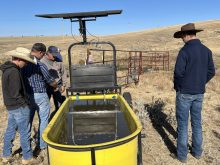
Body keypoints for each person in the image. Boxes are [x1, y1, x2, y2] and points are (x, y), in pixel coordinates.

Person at [173, 23, 215, 163]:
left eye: (181, 37)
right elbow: (211, 72)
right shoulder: (206, 50)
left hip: (184, 92)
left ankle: (182, 156)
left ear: (186, 35)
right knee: (197, 123)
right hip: (199, 93)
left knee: (183, 124)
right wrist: (201, 82)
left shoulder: (184, 51)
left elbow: (178, 73)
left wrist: (179, 87)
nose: (181, 40)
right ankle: (197, 152)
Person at [0, 47, 39, 164]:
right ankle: (27, 157)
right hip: (19, 107)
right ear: (18, 59)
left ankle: (6, 155)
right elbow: (16, 93)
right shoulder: (14, 72)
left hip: (11, 106)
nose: (26, 64)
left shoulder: (7, 69)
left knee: (10, 131)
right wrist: (24, 105)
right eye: (25, 61)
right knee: (24, 132)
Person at [21, 43, 57, 155]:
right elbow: (50, 80)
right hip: (40, 95)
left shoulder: (23, 64)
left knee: (27, 122)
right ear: (41, 52)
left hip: (27, 96)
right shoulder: (40, 65)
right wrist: (56, 86)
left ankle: (26, 148)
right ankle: (42, 145)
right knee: (44, 120)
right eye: (43, 54)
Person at [41, 46, 67, 118]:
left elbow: (63, 72)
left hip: (58, 85)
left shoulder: (58, 60)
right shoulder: (42, 61)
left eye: (57, 55)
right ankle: (46, 121)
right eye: (54, 55)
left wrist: (63, 85)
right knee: (45, 106)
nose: (55, 57)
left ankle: (59, 117)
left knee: (58, 103)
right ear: (48, 53)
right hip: (46, 86)